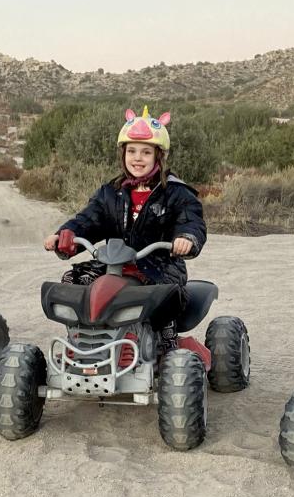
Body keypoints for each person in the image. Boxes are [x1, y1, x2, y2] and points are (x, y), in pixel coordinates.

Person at [43, 106, 206, 330]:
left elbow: (191, 220)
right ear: (123, 154)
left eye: (146, 152)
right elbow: (88, 219)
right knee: (72, 283)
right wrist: (65, 236)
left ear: (159, 156)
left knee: (165, 299)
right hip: (112, 265)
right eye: (132, 151)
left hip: (157, 269)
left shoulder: (177, 193)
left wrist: (186, 238)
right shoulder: (111, 192)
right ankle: (82, 340)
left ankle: (165, 347)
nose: (137, 158)